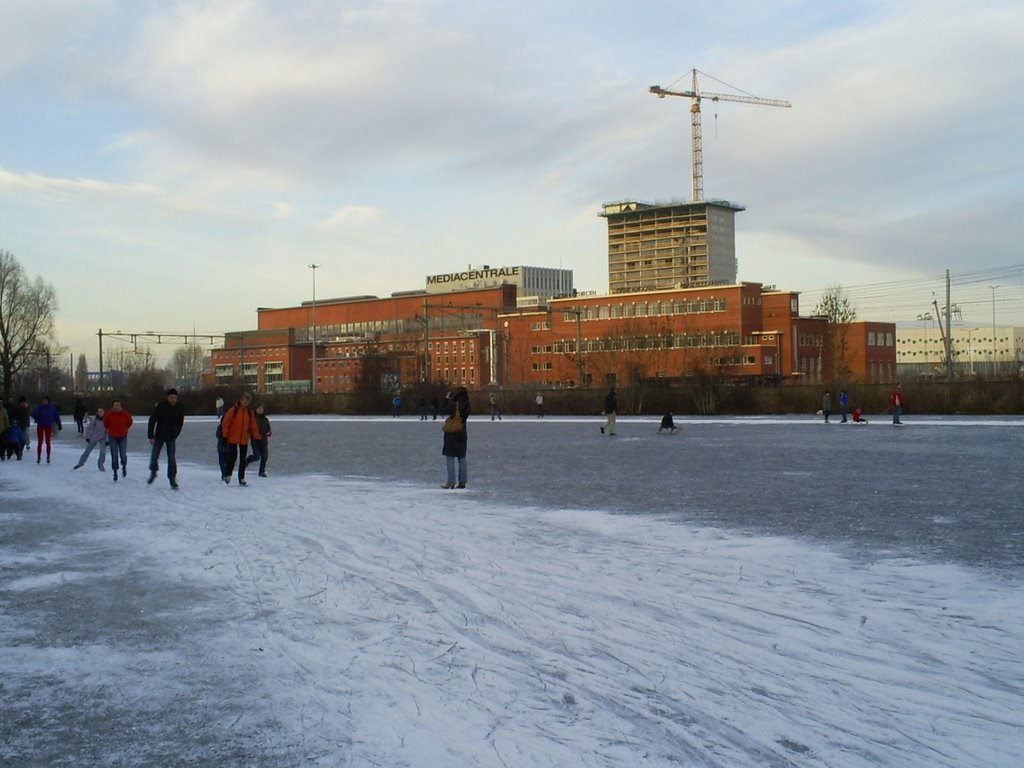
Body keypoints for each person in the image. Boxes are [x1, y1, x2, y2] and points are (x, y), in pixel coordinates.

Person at [148, 388, 185, 489]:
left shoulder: (179, 407)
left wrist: (176, 433)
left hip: (171, 436)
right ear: (167, 397)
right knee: (154, 456)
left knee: (172, 458)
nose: (173, 400)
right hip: (159, 435)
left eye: (175, 398)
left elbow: (180, 422)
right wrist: (151, 436)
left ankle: (172, 479)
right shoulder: (160, 406)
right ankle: (153, 471)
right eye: (171, 398)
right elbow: (152, 421)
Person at [220, 392, 259, 486]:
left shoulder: (249, 413)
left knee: (242, 459)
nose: (246, 403)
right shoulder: (233, 411)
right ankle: (228, 474)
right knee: (233, 457)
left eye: (248, 402)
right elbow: (225, 424)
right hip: (232, 438)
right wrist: (225, 437)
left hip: (243, 439)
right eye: (245, 401)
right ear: (241, 400)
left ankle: (241, 478)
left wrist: (257, 437)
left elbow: (253, 426)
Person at [441, 386, 471, 489]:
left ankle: (451, 482)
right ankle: (462, 481)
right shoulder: (467, 404)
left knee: (450, 457)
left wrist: (447, 399)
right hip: (462, 432)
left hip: (452, 434)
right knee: (462, 457)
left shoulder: (454, 404)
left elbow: (443, 410)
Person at [102, 399, 134, 481]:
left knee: (123, 454)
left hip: (122, 436)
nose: (117, 407)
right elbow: (105, 423)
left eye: (118, 405)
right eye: (115, 405)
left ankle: (124, 466)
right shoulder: (108, 415)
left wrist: (124, 429)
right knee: (114, 455)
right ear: (112, 406)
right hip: (113, 437)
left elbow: (129, 422)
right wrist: (110, 430)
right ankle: (115, 472)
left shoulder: (125, 414)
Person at [73, 406, 108, 471]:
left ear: (104, 412)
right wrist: (88, 437)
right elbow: (88, 429)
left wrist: (107, 440)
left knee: (103, 452)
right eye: (99, 412)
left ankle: (100, 465)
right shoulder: (94, 420)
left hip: (103, 438)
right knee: (87, 450)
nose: (100, 413)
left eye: (102, 411)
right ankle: (81, 463)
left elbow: (109, 430)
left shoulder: (106, 420)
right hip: (94, 437)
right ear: (97, 413)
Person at [31, 394, 62, 464]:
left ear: (48, 401)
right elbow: (33, 413)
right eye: (43, 401)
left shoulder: (52, 408)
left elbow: (56, 416)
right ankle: (39, 457)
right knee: (40, 442)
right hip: (41, 425)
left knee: (48, 442)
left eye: (45, 401)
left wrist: (59, 424)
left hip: (48, 425)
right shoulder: (39, 407)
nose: (44, 402)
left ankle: (48, 457)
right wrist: (37, 417)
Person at [245, 402, 272, 477]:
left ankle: (261, 471)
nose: (260, 410)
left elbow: (268, 429)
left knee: (265, 456)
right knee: (257, 456)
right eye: (259, 409)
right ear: (256, 409)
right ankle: (247, 460)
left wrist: (269, 433)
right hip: (255, 441)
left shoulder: (265, 419)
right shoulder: (252, 418)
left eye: (261, 409)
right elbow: (248, 429)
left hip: (263, 441)